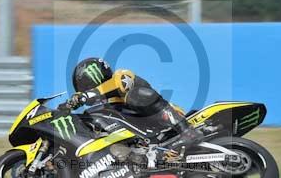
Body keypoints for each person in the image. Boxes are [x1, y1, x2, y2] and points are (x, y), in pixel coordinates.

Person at [66, 57, 202, 160]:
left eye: (82, 85)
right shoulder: (102, 109)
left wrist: (86, 95)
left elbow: (118, 84)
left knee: (135, 95)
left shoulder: (120, 77)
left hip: (166, 123)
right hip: (146, 139)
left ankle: (186, 131)